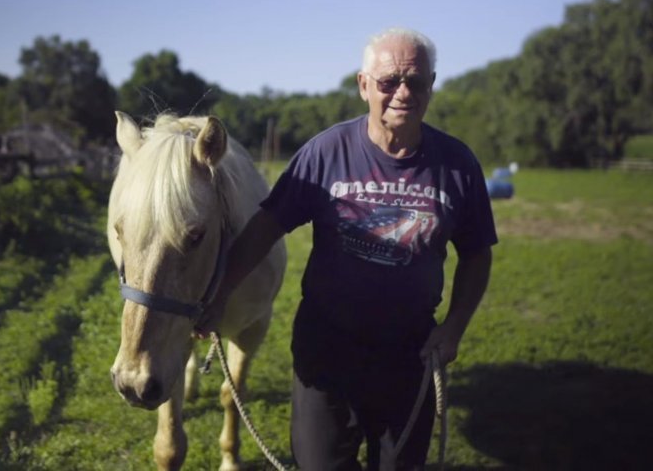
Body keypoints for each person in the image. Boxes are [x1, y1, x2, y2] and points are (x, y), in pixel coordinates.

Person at [197, 28, 497, 470]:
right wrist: (219, 292)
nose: (402, 92)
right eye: (388, 81)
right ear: (363, 85)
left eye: (415, 81)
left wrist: (453, 328)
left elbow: (476, 252)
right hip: (327, 349)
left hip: (410, 351)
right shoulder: (325, 152)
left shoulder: (456, 164)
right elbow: (266, 226)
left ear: (431, 85)